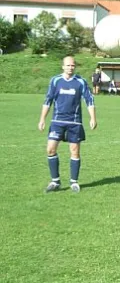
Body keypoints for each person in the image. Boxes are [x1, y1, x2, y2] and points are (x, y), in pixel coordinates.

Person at [38, 56, 97, 193]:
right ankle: (55, 181)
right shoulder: (55, 81)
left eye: (72, 65)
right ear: (63, 66)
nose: (70, 68)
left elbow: (89, 100)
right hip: (57, 121)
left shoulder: (80, 82)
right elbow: (48, 100)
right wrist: (42, 119)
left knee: (75, 151)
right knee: (50, 149)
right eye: (68, 65)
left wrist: (93, 118)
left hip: (74, 122)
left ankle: (74, 182)